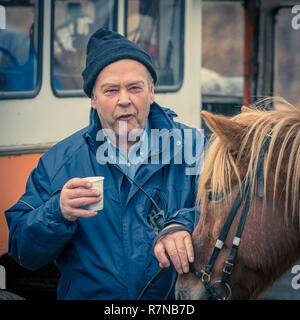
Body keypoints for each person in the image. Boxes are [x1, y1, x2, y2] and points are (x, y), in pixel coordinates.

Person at [5, 28, 206, 300]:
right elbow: (23, 251)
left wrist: (182, 223)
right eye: (111, 90)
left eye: (135, 88)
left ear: (152, 91)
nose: (124, 99)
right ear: (93, 98)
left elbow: (232, 207)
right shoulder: (60, 162)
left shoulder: (193, 146)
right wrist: (58, 211)